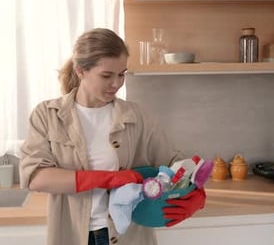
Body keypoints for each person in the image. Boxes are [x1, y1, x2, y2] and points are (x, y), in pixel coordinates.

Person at [19, 28, 206, 245]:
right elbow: (36, 177)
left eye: (121, 74)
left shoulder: (136, 116)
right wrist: (109, 179)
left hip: (128, 236)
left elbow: (175, 165)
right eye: (106, 75)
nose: (116, 83)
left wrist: (197, 196)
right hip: (75, 235)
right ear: (80, 71)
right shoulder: (48, 115)